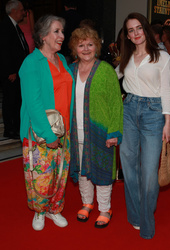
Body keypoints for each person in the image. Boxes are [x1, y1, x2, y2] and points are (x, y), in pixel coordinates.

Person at [116, 13, 170, 239]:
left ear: (145, 29)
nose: (135, 33)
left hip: (153, 114)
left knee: (149, 173)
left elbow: (167, 91)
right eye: (131, 30)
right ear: (127, 36)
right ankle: (136, 216)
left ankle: (147, 222)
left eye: (139, 28)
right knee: (129, 169)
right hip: (128, 110)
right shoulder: (126, 57)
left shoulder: (162, 57)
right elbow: (113, 77)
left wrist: (167, 122)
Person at [19, 15, 75, 231]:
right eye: (57, 31)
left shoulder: (61, 60)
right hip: (41, 134)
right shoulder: (31, 63)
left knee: (60, 174)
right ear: (43, 36)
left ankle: (54, 209)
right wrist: (49, 135)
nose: (62, 36)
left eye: (62, 31)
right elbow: (33, 104)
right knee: (41, 175)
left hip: (65, 130)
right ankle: (40, 212)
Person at [68, 27, 123, 228]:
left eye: (90, 44)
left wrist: (114, 132)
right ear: (74, 47)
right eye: (81, 45)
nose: (85, 49)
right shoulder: (70, 70)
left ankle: (104, 209)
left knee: (102, 171)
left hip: (101, 131)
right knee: (82, 170)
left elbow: (116, 103)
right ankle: (87, 203)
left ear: (96, 46)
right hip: (76, 132)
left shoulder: (106, 71)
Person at [0, 0, 29, 139]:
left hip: (18, 71)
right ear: (14, 11)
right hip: (11, 73)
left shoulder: (14, 26)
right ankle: (9, 129)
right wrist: (10, 71)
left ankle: (17, 127)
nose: (24, 12)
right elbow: (4, 50)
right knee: (10, 100)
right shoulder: (5, 26)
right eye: (22, 10)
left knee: (17, 100)